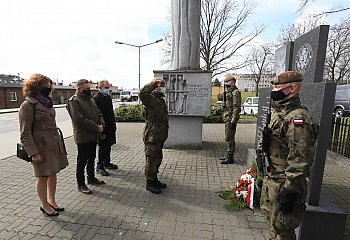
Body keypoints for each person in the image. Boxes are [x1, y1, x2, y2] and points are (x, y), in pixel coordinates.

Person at [259, 71, 319, 240]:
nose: (273, 90)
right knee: (273, 227)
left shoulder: (297, 119)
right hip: (273, 179)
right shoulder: (280, 113)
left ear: (292, 88)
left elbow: (300, 160)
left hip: (285, 185)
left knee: (282, 232)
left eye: (277, 86)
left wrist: (290, 190)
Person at [19, 73, 68, 217]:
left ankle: (51, 200)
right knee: (43, 176)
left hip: (52, 144)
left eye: (49, 85)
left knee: (53, 172)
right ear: (36, 86)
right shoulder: (28, 105)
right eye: (45, 85)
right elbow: (25, 133)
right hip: (40, 147)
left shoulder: (46, 102)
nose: (48, 88)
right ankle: (44, 205)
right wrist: (33, 153)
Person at [67, 79, 105, 194]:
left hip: (93, 135)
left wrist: (102, 124)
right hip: (83, 136)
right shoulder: (74, 101)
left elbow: (98, 113)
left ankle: (91, 178)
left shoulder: (90, 99)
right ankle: (81, 184)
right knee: (82, 161)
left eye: (89, 88)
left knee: (92, 158)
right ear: (79, 88)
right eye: (86, 89)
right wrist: (96, 126)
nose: (89, 91)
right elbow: (79, 120)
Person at [139, 77, 169, 194]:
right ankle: (149, 182)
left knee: (158, 158)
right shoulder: (150, 99)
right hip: (152, 136)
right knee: (151, 159)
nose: (162, 86)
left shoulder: (160, 99)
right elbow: (142, 93)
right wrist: (152, 84)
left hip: (160, 135)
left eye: (163, 84)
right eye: (160, 84)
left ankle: (154, 179)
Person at [93, 80, 118, 176]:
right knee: (103, 147)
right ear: (100, 88)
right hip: (103, 128)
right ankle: (100, 166)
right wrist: (101, 130)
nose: (108, 89)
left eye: (108, 87)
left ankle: (107, 163)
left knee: (108, 145)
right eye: (106, 88)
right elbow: (97, 115)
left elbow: (110, 113)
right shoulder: (96, 98)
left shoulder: (108, 97)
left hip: (110, 127)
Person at [219, 73, 241, 164]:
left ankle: (230, 157)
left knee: (230, 137)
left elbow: (236, 108)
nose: (226, 83)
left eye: (228, 81)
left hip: (231, 118)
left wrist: (233, 121)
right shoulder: (228, 92)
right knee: (228, 137)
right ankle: (228, 155)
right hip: (228, 117)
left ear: (232, 82)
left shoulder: (235, 92)